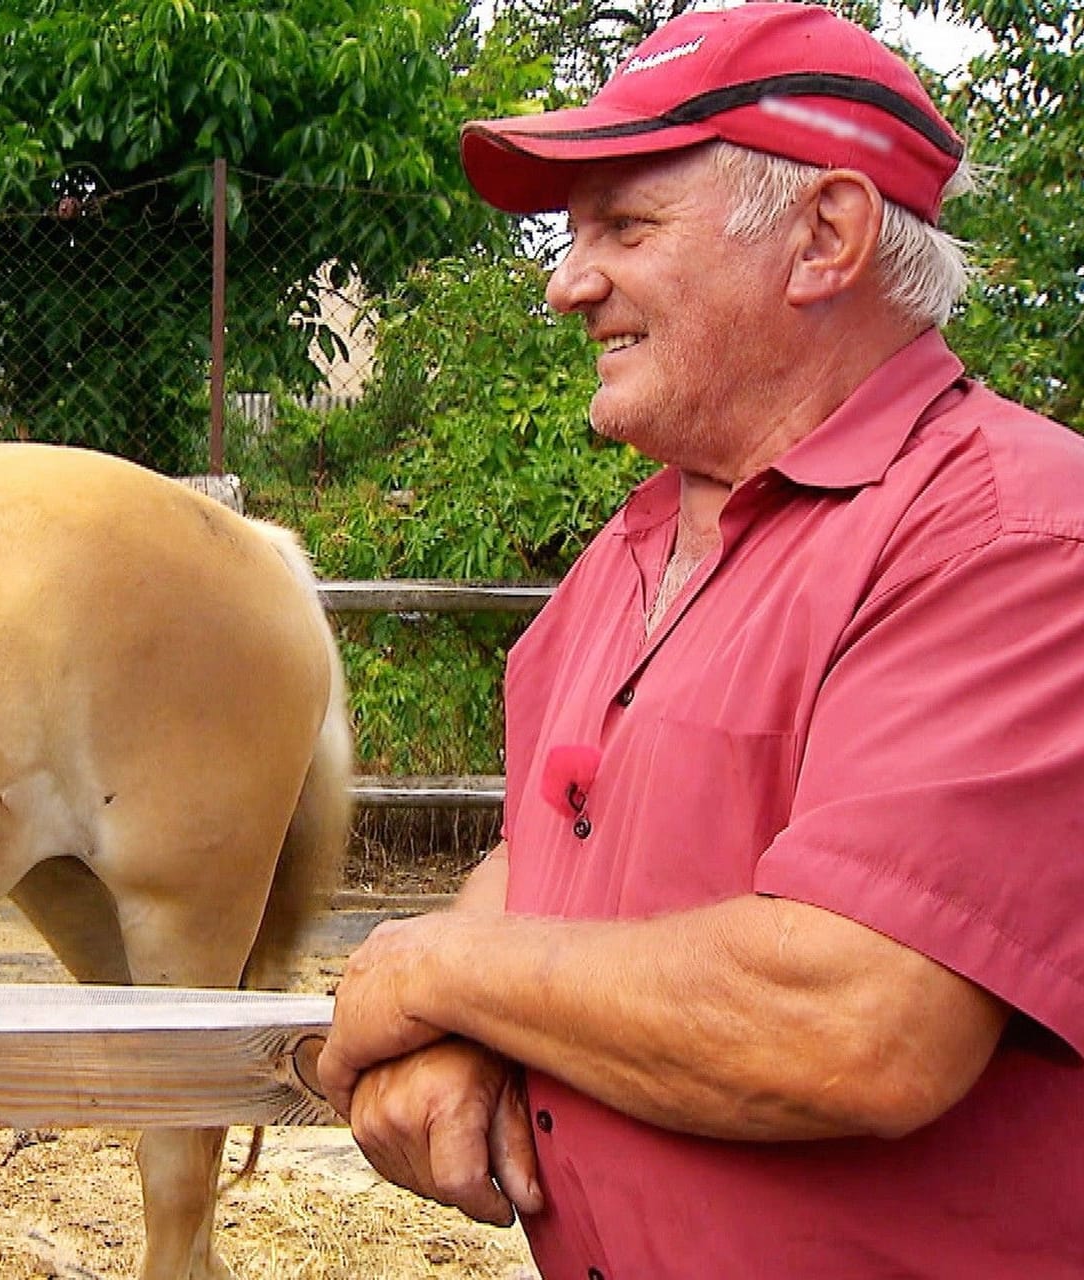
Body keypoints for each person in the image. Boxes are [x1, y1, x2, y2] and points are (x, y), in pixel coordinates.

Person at [320, 4, 1084, 1276]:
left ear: (826, 236)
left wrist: (431, 971)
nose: (567, 283)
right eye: (573, 236)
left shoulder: (1009, 542)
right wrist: (463, 1019)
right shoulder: (627, 555)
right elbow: (544, 858)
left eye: (625, 226)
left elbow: (856, 1017)